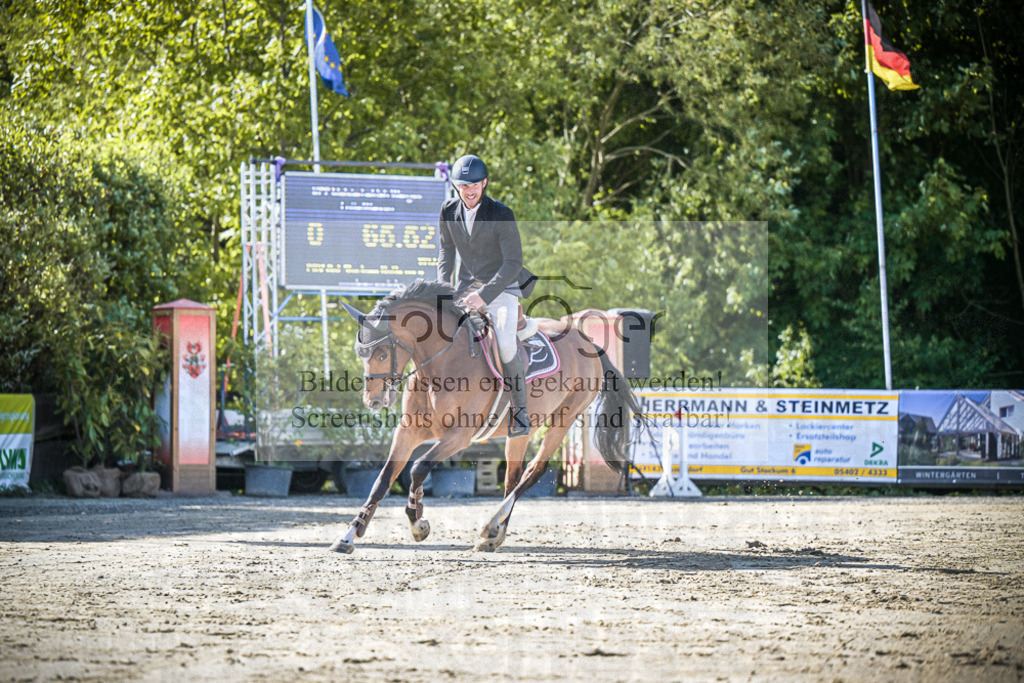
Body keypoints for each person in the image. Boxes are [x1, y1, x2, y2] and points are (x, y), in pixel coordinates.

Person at [438, 154, 535, 437]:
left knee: (505, 345)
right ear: (456, 186)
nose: (469, 191)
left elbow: (513, 263)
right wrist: (444, 287)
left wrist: (484, 294)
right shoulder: (448, 211)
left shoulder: (501, 213)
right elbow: (446, 252)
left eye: (474, 186)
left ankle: (520, 413)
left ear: (484, 183)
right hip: (465, 288)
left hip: (502, 288)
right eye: (463, 186)